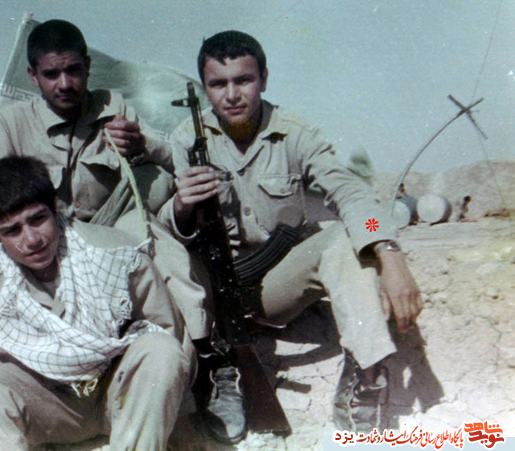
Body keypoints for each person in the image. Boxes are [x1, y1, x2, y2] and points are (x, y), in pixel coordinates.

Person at [157, 31, 423, 441]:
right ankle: (221, 374)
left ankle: (367, 374)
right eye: (218, 84)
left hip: (275, 287)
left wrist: (388, 251)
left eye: (243, 80)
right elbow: (170, 227)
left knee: (343, 237)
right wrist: (181, 205)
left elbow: (352, 194)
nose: (231, 95)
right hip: (213, 292)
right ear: (205, 88)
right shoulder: (185, 139)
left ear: (263, 79)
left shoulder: (297, 134)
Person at [0, 19, 212, 349]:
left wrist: (141, 143)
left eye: (73, 71)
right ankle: (28, 303)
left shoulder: (112, 106)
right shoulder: (13, 122)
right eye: (51, 74)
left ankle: (202, 349)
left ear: (87, 67)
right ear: (33, 76)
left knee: (155, 223)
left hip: (108, 230)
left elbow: (177, 163)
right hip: (43, 241)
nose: (64, 84)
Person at [0, 156, 197, 450]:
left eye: (38, 219)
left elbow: (167, 332)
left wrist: (175, 420)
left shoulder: (115, 253)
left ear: (55, 208)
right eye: (12, 230)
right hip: (51, 405)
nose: (31, 240)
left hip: (117, 398)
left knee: (160, 348)